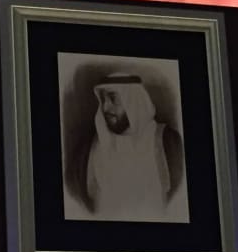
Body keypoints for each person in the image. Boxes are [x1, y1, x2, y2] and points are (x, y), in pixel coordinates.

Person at [68, 72, 184, 220]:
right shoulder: (87, 151)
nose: (105, 107)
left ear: (134, 102)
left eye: (113, 98)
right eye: (102, 99)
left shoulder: (169, 142)